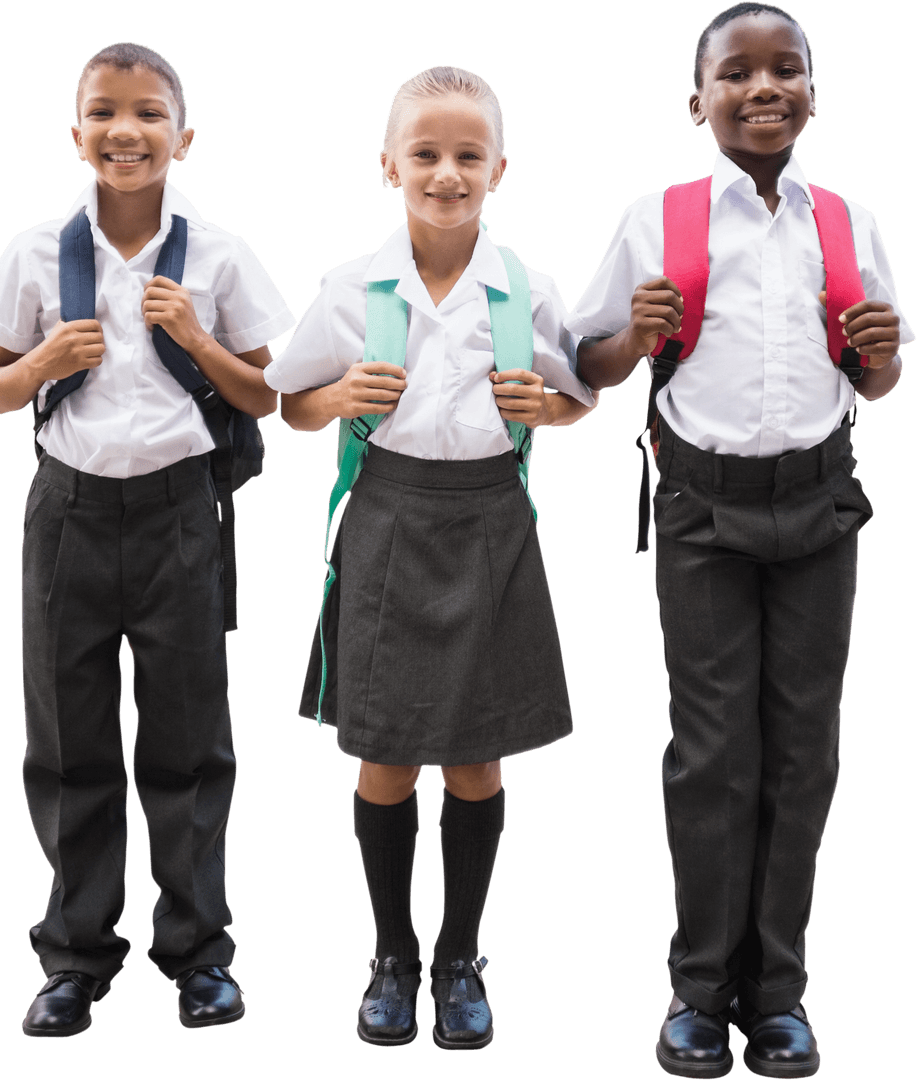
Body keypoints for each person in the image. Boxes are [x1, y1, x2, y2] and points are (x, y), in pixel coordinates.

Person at [565, 5, 911, 1077]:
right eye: (736, 73)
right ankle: (699, 990)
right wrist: (638, 331)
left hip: (819, 507)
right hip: (700, 512)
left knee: (802, 753)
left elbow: (882, 373)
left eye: (785, 71)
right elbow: (593, 362)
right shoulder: (654, 219)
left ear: (812, 93)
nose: (762, 88)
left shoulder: (849, 224)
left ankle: (781, 996)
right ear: (698, 99)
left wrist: (873, 355)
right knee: (713, 754)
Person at [0, 42, 295, 1036]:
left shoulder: (222, 255)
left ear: (181, 138)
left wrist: (195, 337)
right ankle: (74, 957)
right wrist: (41, 363)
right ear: (77, 136)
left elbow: (266, 395)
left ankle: (198, 953)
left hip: (179, 510)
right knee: (66, 742)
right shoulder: (34, 252)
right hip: (65, 512)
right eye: (104, 112)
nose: (125, 129)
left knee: (189, 740)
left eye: (148, 113)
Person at [265, 65, 593, 1050]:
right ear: (388, 166)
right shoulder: (348, 289)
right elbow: (287, 401)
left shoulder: (527, 290)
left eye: (465, 156)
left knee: (476, 754)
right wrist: (334, 401)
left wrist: (555, 407)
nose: (445, 174)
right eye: (425, 155)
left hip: (492, 522)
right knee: (385, 752)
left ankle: (459, 955)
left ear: (499, 168)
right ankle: (389, 953)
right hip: (387, 521)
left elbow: (576, 394)